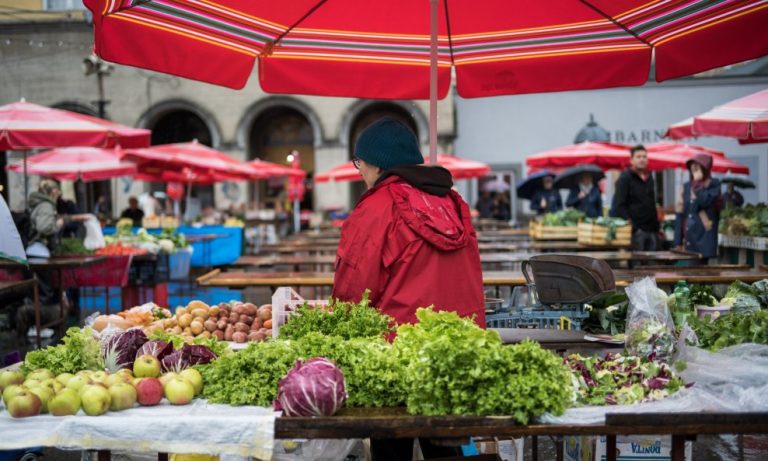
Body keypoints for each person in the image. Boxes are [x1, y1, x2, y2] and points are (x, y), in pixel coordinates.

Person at [331, 117, 484, 461]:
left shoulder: (376, 206)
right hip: (455, 350)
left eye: (359, 163)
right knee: (444, 446)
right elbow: (472, 278)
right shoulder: (455, 203)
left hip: (395, 355)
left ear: (376, 163)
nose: (359, 171)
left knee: (391, 446)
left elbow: (354, 288)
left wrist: (338, 334)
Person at [609, 145, 661, 251]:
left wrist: (657, 227)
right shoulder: (625, 178)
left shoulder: (649, 177)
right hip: (636, 232)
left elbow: (652, 203)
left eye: (644, 157)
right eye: (638, 157)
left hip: (651, 230)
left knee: (653, 265)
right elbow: (620, 205)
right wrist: (634, 228)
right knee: (637, 265)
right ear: (631, 160)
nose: (642, 159)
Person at [675, 154, 722, 263]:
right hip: (688, 241)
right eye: (692, 165)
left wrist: (697, 185)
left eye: (697, 165)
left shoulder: (714, 184)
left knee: (702, 276)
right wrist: (677, 241)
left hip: (704, 240)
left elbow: (704, 201)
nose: (694, 167)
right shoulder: (686, 187)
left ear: (704, 168)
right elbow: (680, 214)